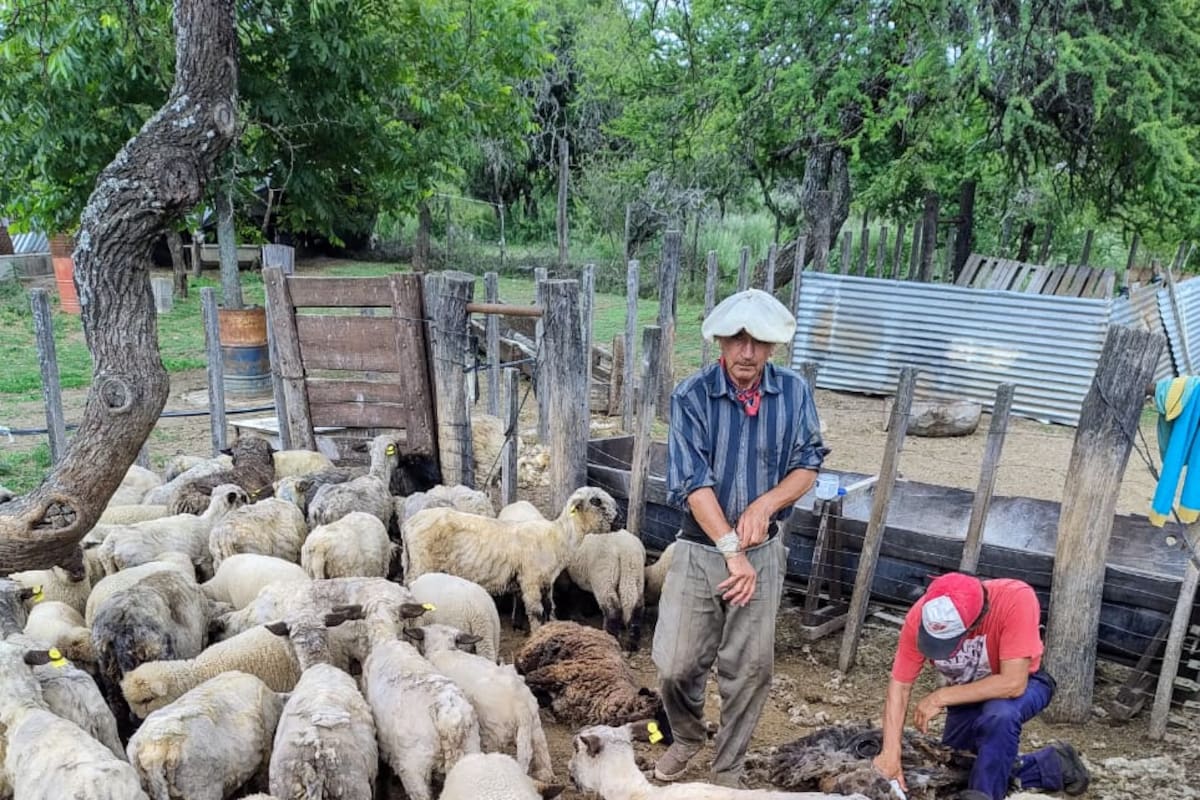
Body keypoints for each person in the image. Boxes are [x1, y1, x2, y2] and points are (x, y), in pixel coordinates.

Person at [652, 288, 828, 789]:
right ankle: (686, 735)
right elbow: (693, 482)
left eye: (757, 341)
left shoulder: (793, 392)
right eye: (736, 340)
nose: (746, 352)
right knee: (675, 662)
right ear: (720, 342)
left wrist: (766, 504)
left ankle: (727, 769)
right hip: (701, 548)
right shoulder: (692, 395)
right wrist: (731, 549)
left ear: (773, 347)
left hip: (764, 550)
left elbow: (808, 462)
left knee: (750, 669)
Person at [872, 572, 1090, 800]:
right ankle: (1053, 765)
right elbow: (899, 686)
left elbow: (1013, 683)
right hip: (967, 694)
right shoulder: (922, 615)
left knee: (999, 716)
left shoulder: (1016, 598)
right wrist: (890, 753)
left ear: (976, 622)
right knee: (954, 771)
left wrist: (940, 697)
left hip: (1026, 684)